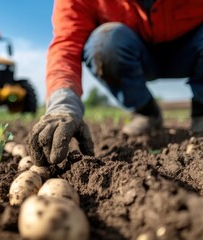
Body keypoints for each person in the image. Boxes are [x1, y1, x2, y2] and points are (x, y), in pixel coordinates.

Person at [27, 0, 203, 166]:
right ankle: (146, 112)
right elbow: (66, 46)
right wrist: (62, 106)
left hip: (190, 49)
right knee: (104, 43)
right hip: (132, 54)